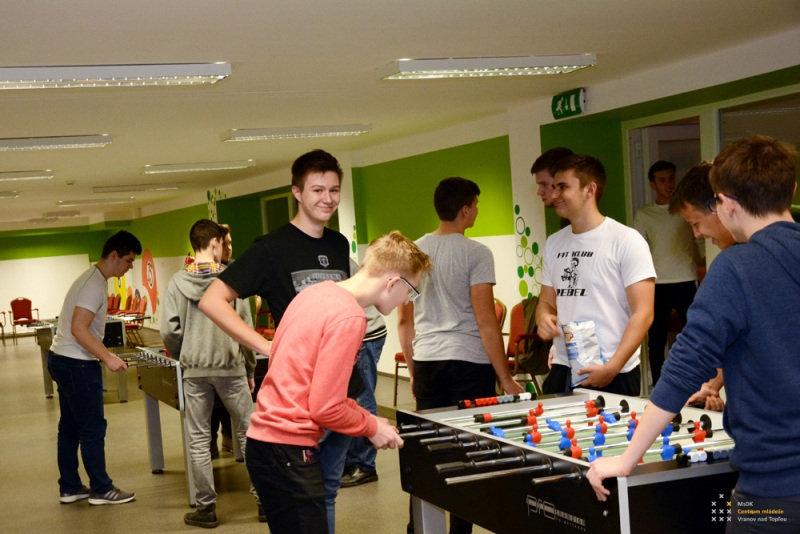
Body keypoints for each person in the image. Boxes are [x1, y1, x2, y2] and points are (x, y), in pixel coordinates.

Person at [587, 135, 800, 533]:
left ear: (726, 203)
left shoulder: (735, 267)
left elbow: (684, 367)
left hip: (772, 500)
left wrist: (627, 460)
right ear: (791, 189)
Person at [199, 149, 351, 531]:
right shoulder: (271, 248)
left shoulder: (338, 245)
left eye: (334, 190)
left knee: (328, 492)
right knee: (305, 500)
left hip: (339, 389)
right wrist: (266, 346)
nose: (328, 198)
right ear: (296, 192)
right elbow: (212, 300)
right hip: (298, 399)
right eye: (317, 190)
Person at [244, 231, 429, 534]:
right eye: (411, 290)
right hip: (289, 450)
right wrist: (371, 427)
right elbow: (325, 408)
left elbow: (310, 383)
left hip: (264, 446)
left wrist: (368, 417)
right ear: (393, 283)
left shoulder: (314, 294)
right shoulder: (350, 317)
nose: (408, 300)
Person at [398, 177, 524, 534]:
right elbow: (486, 321)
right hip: (470, 364)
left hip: (428, 362)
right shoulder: (477, 253)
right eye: (476, 206)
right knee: (469, 452)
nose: (477, 211)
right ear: (465, 210)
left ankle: (419, 528)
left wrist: (413, 370)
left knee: (429, 450)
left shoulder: (412, 251)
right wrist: (504, 378)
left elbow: (405, 320)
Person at [160, 219, 258, 528]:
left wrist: (185, 355)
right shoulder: (233, 280)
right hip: (231, 368)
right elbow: (245, 329)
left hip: (195, 371)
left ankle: (206, 509)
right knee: (249, 434)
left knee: (199, 439)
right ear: (214, 242)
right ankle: (265, 501)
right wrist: (250, 368)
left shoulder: (177, 282)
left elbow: (169, 331)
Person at [535, 155, 656, 396]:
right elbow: (546, 302)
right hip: (563, 366)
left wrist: (613, 367)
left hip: (612, 368)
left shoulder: (626, 240)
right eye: (554, 187)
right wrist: (543, 318)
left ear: (589, 190)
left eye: (563, 187)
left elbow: (644, 313)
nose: (555, 194)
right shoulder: (554, 243)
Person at [47, 230, 141, 506]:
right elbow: (79, 329)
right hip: (76, 364)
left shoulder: (92, 279)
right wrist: (108, 357)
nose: (130, 266)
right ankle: (101, 488)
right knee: (92, 428)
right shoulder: (93, 285)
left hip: (63, 359)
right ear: (113, 255)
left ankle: (70, 487)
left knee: (70, 427)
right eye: (128, 260)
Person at [669, 161, 737, 411]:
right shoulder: (734, 258)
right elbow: (731, 337)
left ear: (718, 206)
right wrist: (712, 383)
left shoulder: (735, 264)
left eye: (695, 223)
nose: (697, 234)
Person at [633, 160, 702, 385]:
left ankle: (700, 383)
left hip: (686, 279)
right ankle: (658, 386)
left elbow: (700, 242)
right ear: (653, 185)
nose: (668, 184)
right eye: (662, 180)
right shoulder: (644, 214)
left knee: (697, 336)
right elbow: (638, 250)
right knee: (656, 340)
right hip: (657, 284)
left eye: (671, 178)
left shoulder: (686, 209)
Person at [340, 259, 388, 488]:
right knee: (348, 398)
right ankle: (350, 461)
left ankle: (365, 465)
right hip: (353, 333)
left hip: (366, 334)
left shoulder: (337, 255)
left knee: (361, 397)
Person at [209, 223, 235, 459]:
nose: (229, 247)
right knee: (213, 407)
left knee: (229, 407)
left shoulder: (236, 271)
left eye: (230, 243)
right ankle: (212, 444)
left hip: (231, 356)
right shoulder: (205, 275)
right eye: (225, 243)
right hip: (211, 355)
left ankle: (229, 439)